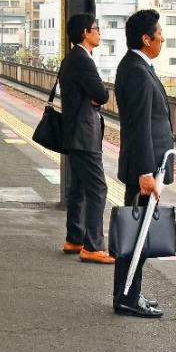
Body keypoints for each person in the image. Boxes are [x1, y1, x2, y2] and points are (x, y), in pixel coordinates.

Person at [113, 9, 173, 318]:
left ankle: (131, 294)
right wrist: (145, 173)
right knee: (135, 237)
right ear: (145, 38)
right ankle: (127, 298)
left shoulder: (139, 66)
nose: (163, 37)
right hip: (144, 170)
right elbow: (138, 126)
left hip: (148, 166)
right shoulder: (136, 70)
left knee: (137, 235)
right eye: (159, 33)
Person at [58, 14, 113, 265]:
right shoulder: (83, 60)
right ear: (84, 33)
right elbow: (101, 94)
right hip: (84, 133)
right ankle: (92, 246)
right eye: (96, 29)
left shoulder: (72, 59)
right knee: (98, 188)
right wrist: (97, 96)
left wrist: (94, 96)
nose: (99, 33)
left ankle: (74, 238)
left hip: (74, 132)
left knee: (78, 188)